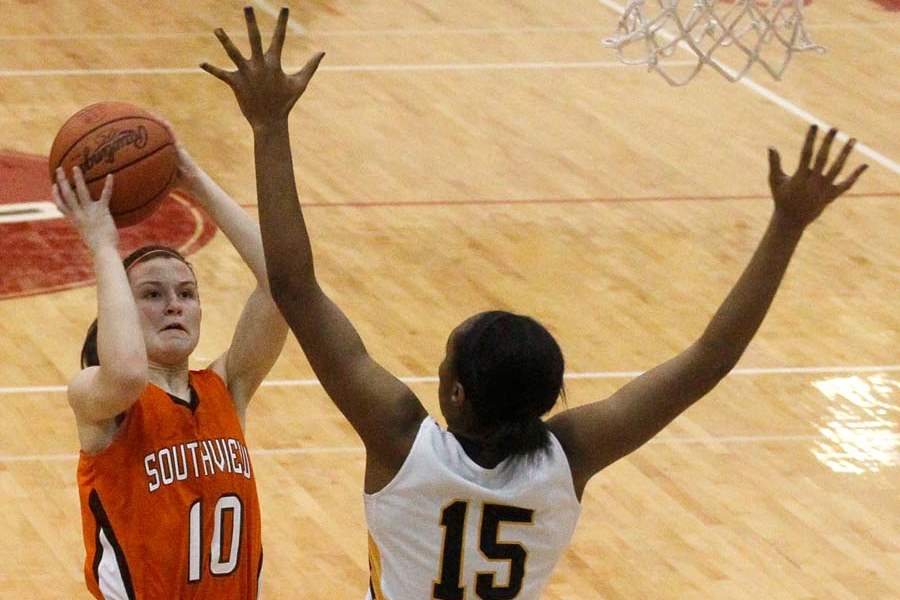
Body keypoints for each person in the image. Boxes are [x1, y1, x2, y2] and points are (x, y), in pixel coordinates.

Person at [203, 8, 868, 599]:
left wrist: (270, 126)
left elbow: (294, 287)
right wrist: (787, 226)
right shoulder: (567, 457)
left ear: (457, 393)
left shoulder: (402, 441)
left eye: (446, 358)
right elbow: (711, 358)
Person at [53, 129, 288, 599]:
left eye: (186, 293)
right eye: (152, 294)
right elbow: (127, 372)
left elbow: (283, 285)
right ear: (121, 309)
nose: (174, 305)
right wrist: (103, 246)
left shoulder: (227, 388)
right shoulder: (99, 399)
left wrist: (197, 182)